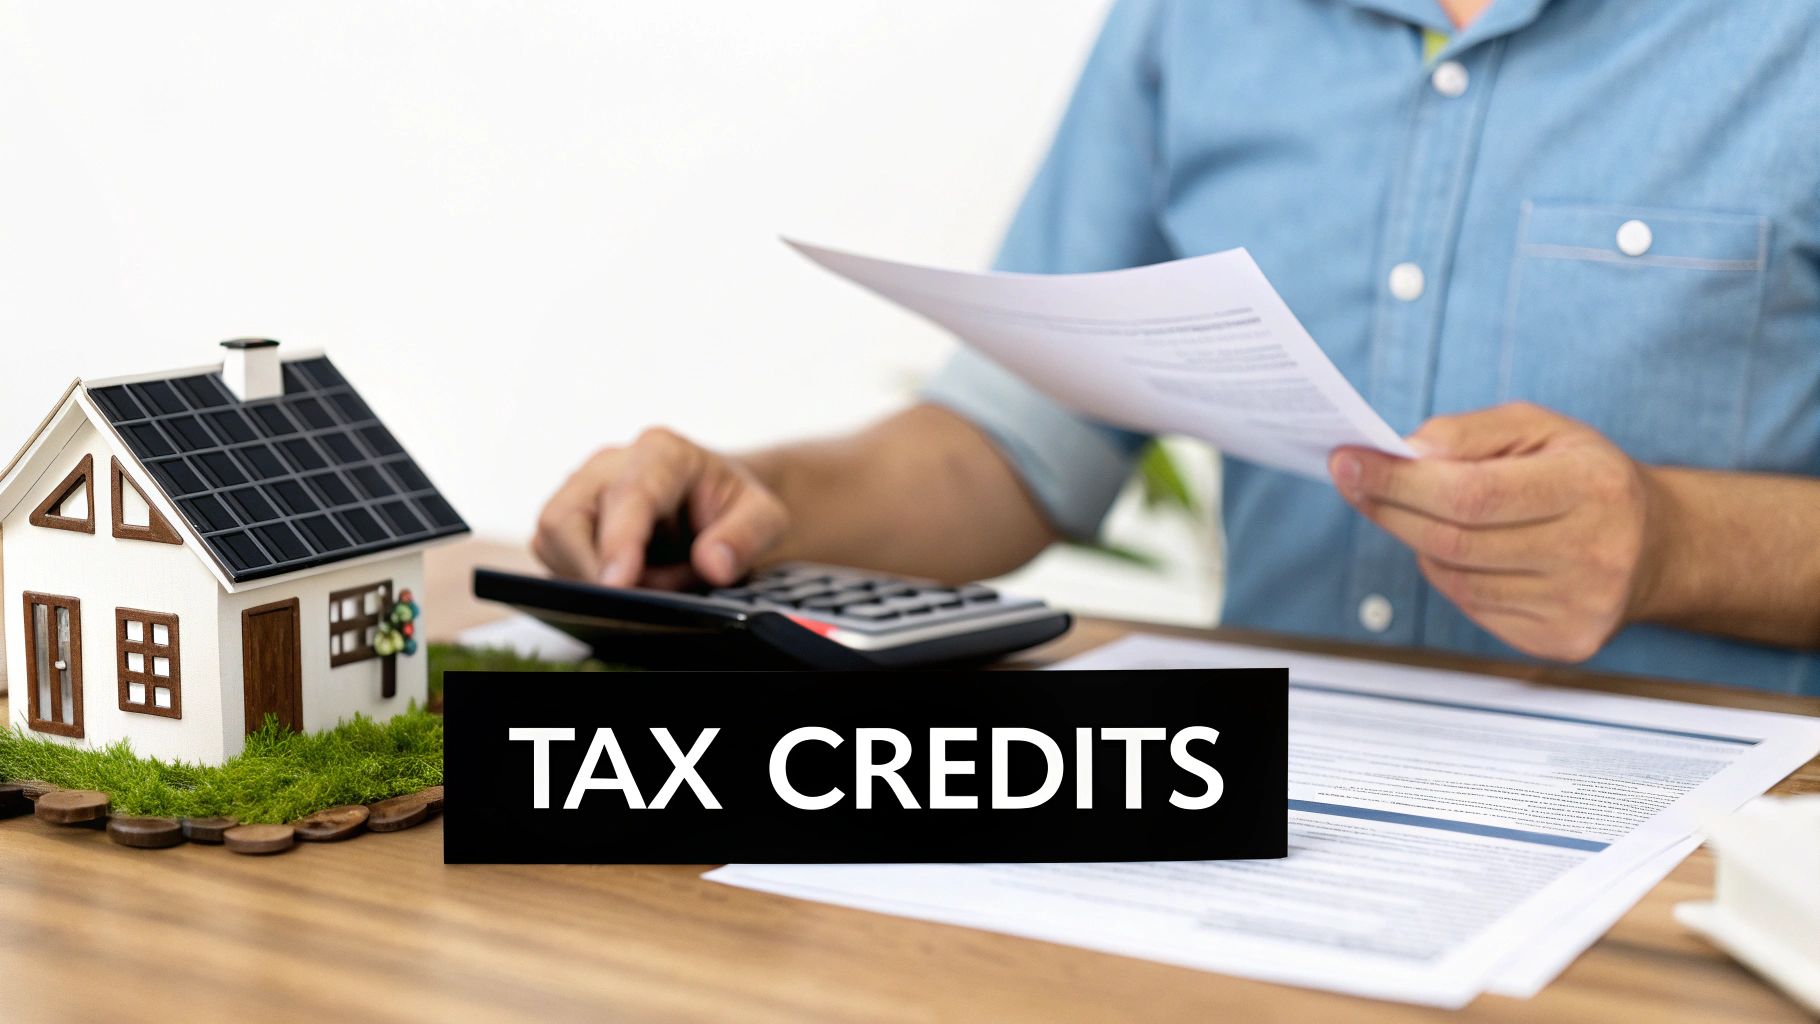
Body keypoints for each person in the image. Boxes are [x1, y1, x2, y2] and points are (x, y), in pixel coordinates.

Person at [535, 0, 1820, 694]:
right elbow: (1010, 444)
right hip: (1270, 808)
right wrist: (756, 504)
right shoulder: (1189, 19)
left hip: (1706, 852)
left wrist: (1673, 542)